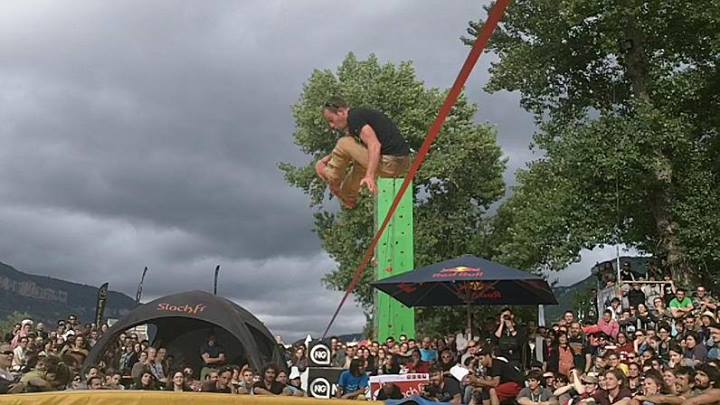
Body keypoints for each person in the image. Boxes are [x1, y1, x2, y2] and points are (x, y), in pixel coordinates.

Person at [316, 96, 410, 209]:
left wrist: (369, 176)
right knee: (356, 171)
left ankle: (332, 177)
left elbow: (374, 145)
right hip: (399, 163)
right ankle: (348, 197)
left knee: (343, 142)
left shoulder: (354, 117)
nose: (332, 126)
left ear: (341, 112)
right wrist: (325, 160)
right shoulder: (355, 124)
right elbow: (351, 149)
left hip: (390, 161)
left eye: (331, 120)